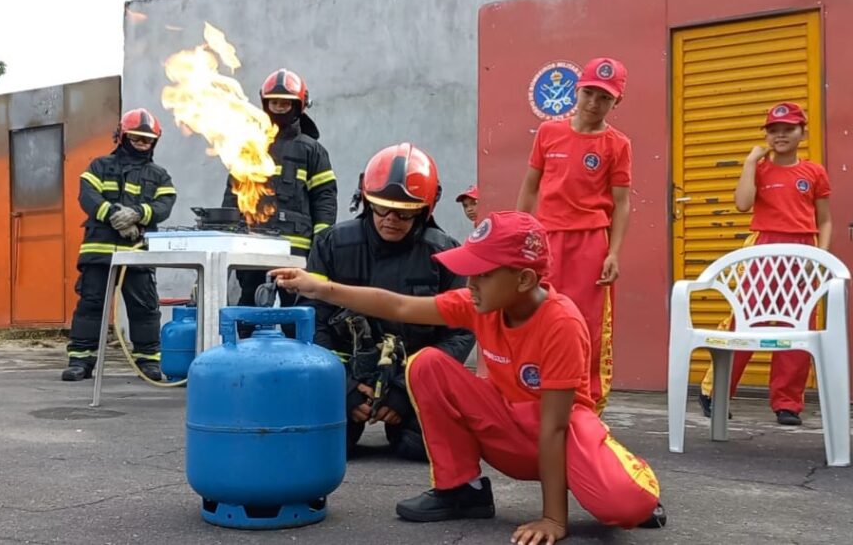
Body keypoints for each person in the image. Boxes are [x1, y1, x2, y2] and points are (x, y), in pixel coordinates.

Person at [270, 211, 665, 543]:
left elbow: (556, 429)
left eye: (481, 274)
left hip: (561, 435)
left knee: (625, 507)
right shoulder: (480, 304)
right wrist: (319, 287)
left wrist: (554, 520)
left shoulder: (561, 323)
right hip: (510, 426)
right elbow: (399, 305)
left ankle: (630, 476)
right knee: (427, 363)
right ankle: (461, 490)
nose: (470, 284)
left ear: (525, 280)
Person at [302, 142, 476, 461]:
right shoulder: (331, 245)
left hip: (410, 378)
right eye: (381, 208)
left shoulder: (445, 256)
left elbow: (460, 334)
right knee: (324, 447)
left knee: (420, 447)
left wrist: (403, 391)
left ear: (425, 210)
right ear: (367, 201)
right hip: (341, 376)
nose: (391, 219)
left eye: (405, 212)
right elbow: (312, 320)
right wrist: (344, 387)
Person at [698, 102, 832, 426]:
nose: (781, 135)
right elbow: (743, 203)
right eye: (774, 130)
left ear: (803, 132)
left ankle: (787, 403)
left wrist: (821, 260)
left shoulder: (814, 172)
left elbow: (825, 220)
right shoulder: (759, 169)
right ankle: (715, 391)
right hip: (762, 249)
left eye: (788, 129)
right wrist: (749, 162)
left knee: (799, 326)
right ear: (766, 135)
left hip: (803, 252)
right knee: (745, 321)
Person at [516, 57, 633, 414]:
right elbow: (530, 186)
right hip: (547, 241)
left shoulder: (618, 144)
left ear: (616, 103)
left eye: (605, 98)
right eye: (589, 94)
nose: (594, 104)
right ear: (577, 90)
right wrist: (518, 236)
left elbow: (622, 204)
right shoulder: (549, 133)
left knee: (588, 326)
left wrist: (613, 253)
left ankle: (588, 404)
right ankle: (532, 396)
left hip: (590, 243)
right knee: (537, 317)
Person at [62, 108, 178, 382]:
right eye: (136, 138)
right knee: (91, 305)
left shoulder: (159, 175)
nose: (141, 143)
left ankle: (147, 362)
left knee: (145, 308)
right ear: (123, 137)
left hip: (137, 252)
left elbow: (165, 205)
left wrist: (139, 213)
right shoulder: (99, 166)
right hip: (99, 250)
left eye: (147, 140)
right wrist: (115, 215)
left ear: (154, 142)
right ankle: (81, 360)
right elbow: (87, 196)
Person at [222, 68, 337, 329]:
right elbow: (233, 194)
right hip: (252, 244)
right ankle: (244, 361)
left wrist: (321, 241)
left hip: (293, 250)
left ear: (298, 106)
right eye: (275, 102)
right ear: (265, 104)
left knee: (295, 310)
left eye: (285, 103)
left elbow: (324, 198)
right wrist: (227, 232)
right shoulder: (249, 146)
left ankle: (296, 364)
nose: (280, 107)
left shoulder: (312, 150)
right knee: (248, 305)